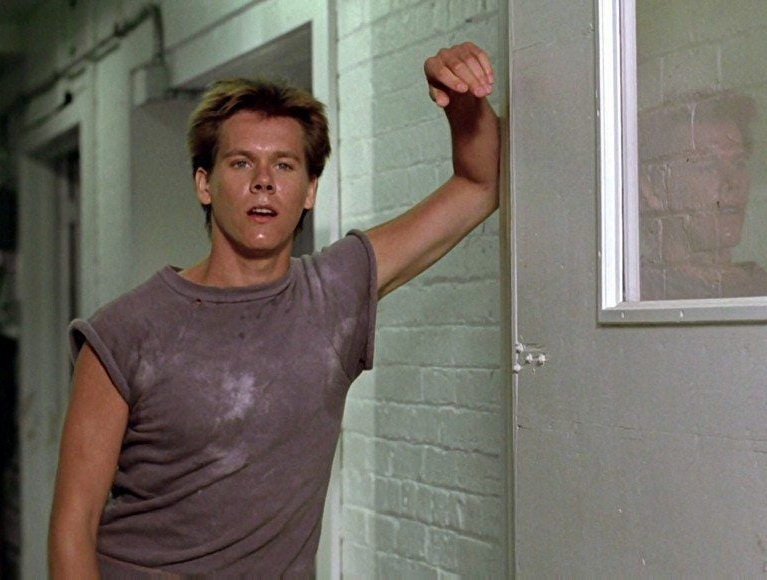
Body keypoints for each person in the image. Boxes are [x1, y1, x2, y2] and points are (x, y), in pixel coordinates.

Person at [48, 42, 499, 578]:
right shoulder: (125, 331)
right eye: (241, 162)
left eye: (284, 165)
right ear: (204, 184)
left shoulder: (330, 295)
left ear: (309, 190)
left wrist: (463, 103)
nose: (263, 180)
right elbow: (73, 526)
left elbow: (479, 185)